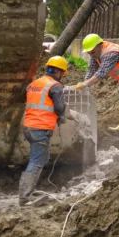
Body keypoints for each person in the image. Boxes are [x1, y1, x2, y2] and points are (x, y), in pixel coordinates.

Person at [20, 56, 70, 203]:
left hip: (29, 127)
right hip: (40, 129)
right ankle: (25, 197)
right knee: (36, 161)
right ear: (59, 72)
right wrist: (62, 117)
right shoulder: (55, 86)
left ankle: (30, 189)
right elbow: (59, 107)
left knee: (43, 157)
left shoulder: (34, 84)